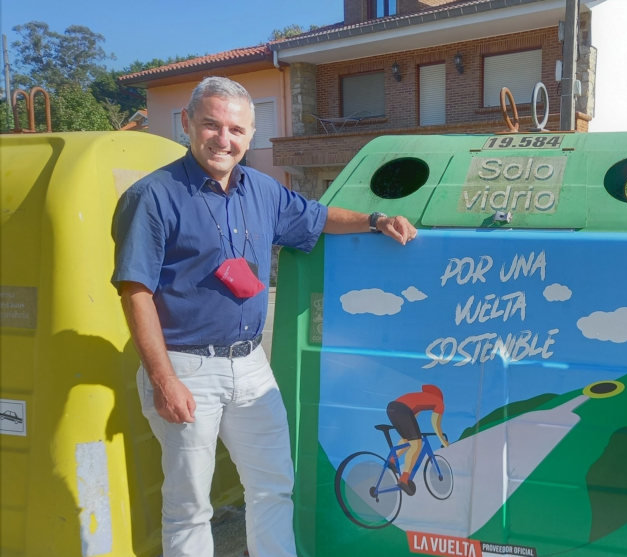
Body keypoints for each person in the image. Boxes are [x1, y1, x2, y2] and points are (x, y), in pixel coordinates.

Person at [111, 76, 417, 557]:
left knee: (273, 486)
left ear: (250, 136)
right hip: (186, 367)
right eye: (212, 124)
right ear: (188, 124)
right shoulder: (153, 196)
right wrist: (162, 378)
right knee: (190, 504)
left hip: (252, 366)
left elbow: (316, 217)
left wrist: (375, 220)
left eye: (236, 129)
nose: (224, 138)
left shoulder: (262, 190)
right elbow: (135, 292)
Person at [386, 384, 449, 495]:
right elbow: (436, 424)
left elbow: (411, 419)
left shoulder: (419, 397)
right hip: (402, 410)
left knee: (407, 439)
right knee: (416, 445)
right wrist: (443, 441)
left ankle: (391, 460)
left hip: (392, 408)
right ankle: (404, 479)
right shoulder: (439, 402)